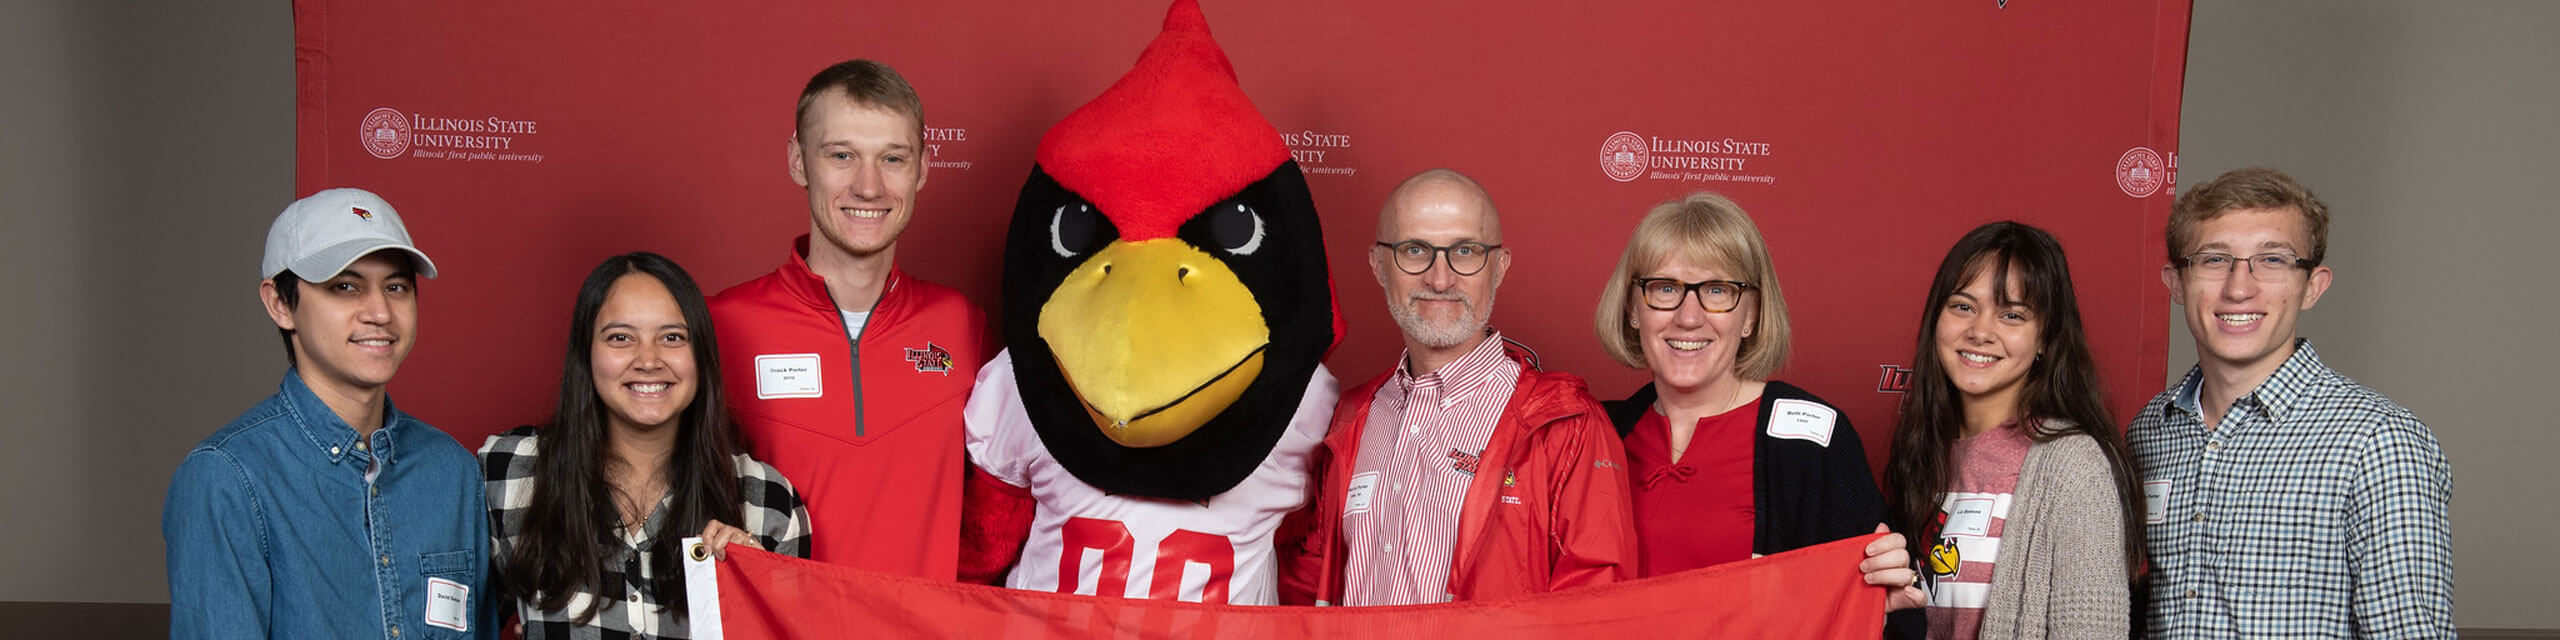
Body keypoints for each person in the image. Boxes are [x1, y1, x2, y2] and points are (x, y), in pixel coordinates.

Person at [1280, 168, 1633, 606]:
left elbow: (1596, 610)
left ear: (1499, 266)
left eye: (1465, 251)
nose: (1440, 279)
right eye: (1415, 250)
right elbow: (1306, 587)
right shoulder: (1350, 419)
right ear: (1377, 265)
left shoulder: (1567, 426)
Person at [2130, 167, 2451, 637]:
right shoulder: (2149, 431)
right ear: (2176, 283)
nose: (2239, 288)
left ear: (2314, 286)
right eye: (2214, 260)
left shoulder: (2379, 445)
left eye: (2273, 261)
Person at [164, 188, 494, 639]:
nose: (380, 312)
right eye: (345, 286)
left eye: (396, 287)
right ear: (280, 303)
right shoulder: (227, 477)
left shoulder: (452, 470)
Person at [1589, 192, 1923, 633]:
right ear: (1633, 309)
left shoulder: (1813, 441)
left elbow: (1887, 609)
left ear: (1751, 315)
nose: (1689, 317)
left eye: (1717, 291)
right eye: (1665, 288)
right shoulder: (1596, 434)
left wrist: (1880, 602)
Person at [709, 59, 992, 578]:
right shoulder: (724, 324)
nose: (868, 186)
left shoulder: (962, 324)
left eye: (892, 158)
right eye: (842, 155)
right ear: (798, 161)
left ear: (923, 168)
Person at [481, 252, 811, 638]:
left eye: (672, 337)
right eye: (621, 338)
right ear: (585, 353)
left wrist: (753, 590)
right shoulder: (510, 472)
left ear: (701, 355)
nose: (649, 360)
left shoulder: (768, 502)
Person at [1883, 222, 2146, 639]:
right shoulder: (1923, 452)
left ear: (2045, 339)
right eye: (1963, 307)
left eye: (2011, 315)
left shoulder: (2073, 465)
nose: (1981, 332)